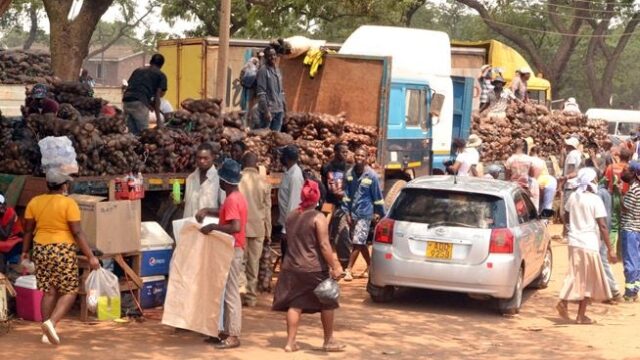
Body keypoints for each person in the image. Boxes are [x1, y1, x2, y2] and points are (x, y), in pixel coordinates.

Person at [21, 170, 100, 345]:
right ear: (64, 185)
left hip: (40, 249)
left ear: (47, 185)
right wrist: (91, 256)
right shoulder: (68, 203)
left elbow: (28, 231)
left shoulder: (35, 202)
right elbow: (77, 232)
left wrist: (25, 251)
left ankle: (46, 331)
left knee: (49, 291)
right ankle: (51, 323)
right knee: (70, 291)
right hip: (62, 250)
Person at [272, 180, 344, 353]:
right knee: (328, 303)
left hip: (291, 267)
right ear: (317, 197)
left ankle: (290, 342)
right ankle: (329, 341)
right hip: (313, 268)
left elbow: (288, 240)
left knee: (295, 304)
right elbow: (325, 246)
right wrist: (335, 266)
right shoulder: (318, 217)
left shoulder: (291, 216)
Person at [197, 159, 248, 350]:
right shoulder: (236, 197)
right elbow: (227, 214)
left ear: (225, 181)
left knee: (231, 292)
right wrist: (209, 211)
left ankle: (233, 334)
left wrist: (213, 227)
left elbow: (235, 226)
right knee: (226, 290)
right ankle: (226, 331)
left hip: (233, 248)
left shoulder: (232, 199)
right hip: (232, 248)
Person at [556, 168, 617, 324]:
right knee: (588, 279)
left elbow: (566, 217)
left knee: (576, 274)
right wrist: (611, 249)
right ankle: (572, 307)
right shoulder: (595, 200)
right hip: (589, 244)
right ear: (592, 182)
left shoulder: (573, 198)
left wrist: (574, 228)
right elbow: (602, 226)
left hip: (574, 242)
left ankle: (576, 311)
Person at [342, 147, 385, 281]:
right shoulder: (349, 174)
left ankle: (348, 269)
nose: (359, 158)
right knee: (360, 242)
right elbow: (346, 195)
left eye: (362, 156)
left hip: (366, 213)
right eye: (357, 155)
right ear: (354, 156)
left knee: (357, 241)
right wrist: (347, 213)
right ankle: (371, 265)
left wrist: (379, 213)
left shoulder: (371, 175)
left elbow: (377, 196)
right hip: (353, 213)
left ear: (366, 158)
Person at [238, 152, 272, 307]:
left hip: (240, 227)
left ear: (243, 163)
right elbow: (267, 209)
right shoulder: (264, 182)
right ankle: (251, 297)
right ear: (256, 164)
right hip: (258, 228)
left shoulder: (237, 180)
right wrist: (268, 232)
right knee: (254, 264)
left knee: (240, 262)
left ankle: (240, 291)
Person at [321, 143, 351, 268]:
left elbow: (351, 187)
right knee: (322, 232)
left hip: (342, 205)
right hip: (328, 203)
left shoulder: (349, 168)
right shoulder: (327, 167)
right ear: (335, 152)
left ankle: (344, 263)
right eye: (342, 152)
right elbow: (323, 185)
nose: (345, 154)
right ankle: (323, 263)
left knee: (342, 234)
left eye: (346, 152)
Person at [122, 53, 168, 135]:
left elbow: (135, 88)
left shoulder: (138, 70)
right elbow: (157, 97)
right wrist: (158, 119)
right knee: (144, 133)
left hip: (127, 101)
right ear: (161, 65)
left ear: (150, 61)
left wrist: (148, 104)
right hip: (139, 103)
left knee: (132, 133)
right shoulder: (160, 75)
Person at [594, 168, 622, 302]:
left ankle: (614, 290)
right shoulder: (613, 192)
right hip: (607, 228)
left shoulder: (601, 193)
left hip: (600, 231)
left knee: (602, 259)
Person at [183, 142, 224, 218]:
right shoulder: (190, 178)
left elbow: (225, 209)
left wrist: (207, 210)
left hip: (210, 227)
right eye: (199, 158)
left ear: (213, 157)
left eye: (205, 158)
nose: (202, 161)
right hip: (189, 226)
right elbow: (186, 205)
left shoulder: (219, 180)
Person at [278, 145, 304, 257]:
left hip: (291, 227)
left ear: (287, 158)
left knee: (289, 258)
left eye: (282, 156)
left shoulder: (295, 176)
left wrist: (285, 229)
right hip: (287, 223)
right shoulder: (288, 173)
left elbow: (293, 204)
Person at [620, 161, 640, 301]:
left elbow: (625, 207)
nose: (623, 172)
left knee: (629, 260)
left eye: (626, 170)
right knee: (636, 260)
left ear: (633, 173)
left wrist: (619, 193)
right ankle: (635, 289)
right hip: (636, 229)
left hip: (629, 228)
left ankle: (629, 292)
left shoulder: (633, 189)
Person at [256, 46, 286, 131]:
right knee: (265, 139)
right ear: (265, 57)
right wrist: (266, 111)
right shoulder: (263, 70)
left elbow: (281, 91)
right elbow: (261, 93)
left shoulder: (278, 70)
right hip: (269, 111)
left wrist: (284, 108)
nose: (272, 57)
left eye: (274, 55)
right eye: (270, 55)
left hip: (279, 110)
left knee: (277, 138)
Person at [561, 137, 582, 234]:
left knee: (567, 209)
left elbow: (570, 169)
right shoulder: (578, 154)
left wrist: (564, 179)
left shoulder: (572, 155)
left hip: (570, 185)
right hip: (575, 184)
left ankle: (567, 232)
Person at [0, 193, 23, 274]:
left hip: (15, 240)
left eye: (1, 204)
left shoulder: (10, 212)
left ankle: (2, 278)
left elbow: (4, 236)